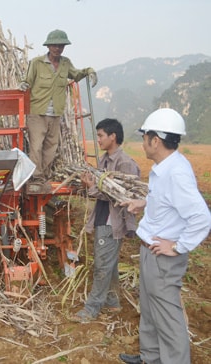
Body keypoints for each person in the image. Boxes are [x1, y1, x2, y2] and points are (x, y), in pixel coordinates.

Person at [119, 108, 211, 364]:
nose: (143, 143)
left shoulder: (176, 172)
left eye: (145, 137)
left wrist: (179, 246)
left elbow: (201, 217)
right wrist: (143, 202)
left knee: (168, 318)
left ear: (155, 141)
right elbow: (167, 201)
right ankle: (151, 358)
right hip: (151, 250)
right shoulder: (166, 167)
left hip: (163, 257)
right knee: (149, 309)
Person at [72, 118, 140, 322]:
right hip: (103, 217)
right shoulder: (104, 160)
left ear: (113, 137)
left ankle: (91, 309)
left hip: (114, 222)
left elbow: (122, 196)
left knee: (102, 265)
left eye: (101, 135)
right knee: (108, 263)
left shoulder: (125, 163)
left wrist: (92, 187)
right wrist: (90, 185)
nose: (98, 139)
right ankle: (112, 302)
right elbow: (102, 189)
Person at [19, 29, 98, 193]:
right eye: (55, 45)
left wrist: (89, 71)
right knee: (36, 146)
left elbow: (76, 75)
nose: (58, 49)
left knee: (51, 147)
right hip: (37, 112)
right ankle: (37, 177)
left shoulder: (65, 63)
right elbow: (27, 81)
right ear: (48, 46)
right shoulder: (37, 63)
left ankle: (44, 176)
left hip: (55, 113)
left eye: (61, 45)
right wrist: (23, 85)